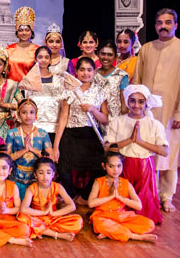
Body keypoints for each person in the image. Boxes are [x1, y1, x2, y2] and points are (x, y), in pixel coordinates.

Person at [133, 8, 180, 212]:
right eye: (160, 22)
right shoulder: (146, 49)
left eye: (168, 22)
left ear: (176, 25)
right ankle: (147, 193)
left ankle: (166, 196)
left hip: (172, 112)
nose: (164, 26)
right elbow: (137, 80)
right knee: (145, 153)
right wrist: (136, 109)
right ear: (155, 25)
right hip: (147, 112)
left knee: (169, 153)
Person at [105, 84, 169, 224]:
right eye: (133, 100)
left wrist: (139, 141)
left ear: (146, 103)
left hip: (145, 167)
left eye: (141, 101)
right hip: (122, 165)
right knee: (121, 200)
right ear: (127, 101)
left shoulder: (154, 124)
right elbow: (107, 147)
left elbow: (164, 151)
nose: (136, 105)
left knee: (143, 205)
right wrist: (129, 140)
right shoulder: (118, 122)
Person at [54, 57, 109, 205]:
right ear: (76, 72)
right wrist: (56, 146)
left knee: (101, 168)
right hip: (71, 135)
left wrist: (92, 109)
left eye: (89, 70)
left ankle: (85, 196)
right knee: (63, 166)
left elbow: (105, 119)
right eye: (82, 70)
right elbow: (63, 119)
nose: (86, 73)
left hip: (91, 135)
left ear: (94, 71)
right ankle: (70, 195)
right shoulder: (69, 91)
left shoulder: (99, 91)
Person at [88, 151, 157, 242]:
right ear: (104, 166)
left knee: (149, 224)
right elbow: (91, 203)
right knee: (99, 225)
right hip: (103, 217)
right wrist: (111, 196)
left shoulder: (126, 183)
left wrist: (119, 197)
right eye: (111, 166)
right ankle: (135, 236)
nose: (115, 170)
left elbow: (138, 206)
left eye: (119, 166)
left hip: (122, 216)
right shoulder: (99, 182)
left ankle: (113, 231)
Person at [18, 156, 83, 241]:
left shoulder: (57, 187)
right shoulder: (31, 188)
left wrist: (53, 214)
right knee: (21, 217)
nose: (45, 177)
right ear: (35, 175)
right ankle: (57, 235)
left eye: (48, 173)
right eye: (41, 173)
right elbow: (23, 209)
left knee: (78, 221)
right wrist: (43, 212)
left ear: (53, 174)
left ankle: (40, 231)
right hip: (37, 218)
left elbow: (72, 206)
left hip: (53, 218)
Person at [6, 99, 54, 199]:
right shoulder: (12, 133)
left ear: (36, 115)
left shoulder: (43, 134)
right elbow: (6, 159)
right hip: (16, 179)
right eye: (24, 112)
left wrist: (32, 149)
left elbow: (51, 158)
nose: (28, 116)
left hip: (38, 180)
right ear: (18, 115)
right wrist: (24, 150)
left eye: (31, 112)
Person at [22, 46, 65, 143]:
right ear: (35, 59)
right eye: (40, 57)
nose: (43, 60)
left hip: (54, 128)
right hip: (33, 128)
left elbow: (63, 107)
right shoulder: (28, 81)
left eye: (46, 57)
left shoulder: (59, 81)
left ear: (50, 60)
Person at [93, 40, 129, 127]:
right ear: (98, 54)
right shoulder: (93, 74)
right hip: (95, 124)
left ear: (115, 57)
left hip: (115, 123)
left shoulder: (121, 76)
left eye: (110, 55)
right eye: (103, 54)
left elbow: (124, 104)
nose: (106, 57)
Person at [6, 7, 39, 83]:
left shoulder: (37, 50)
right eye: (21, 30)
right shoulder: (9, 49)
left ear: (31, 31)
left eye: (27, 30)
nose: (24, 33)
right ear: (17, 32)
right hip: (11, 90)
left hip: (30, 89)